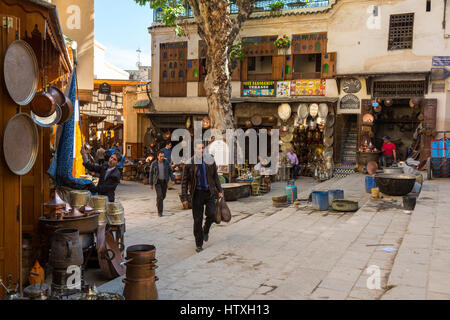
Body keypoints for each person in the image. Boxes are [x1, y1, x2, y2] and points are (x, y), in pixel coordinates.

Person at [181, 141, 224, 253]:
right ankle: (199, 244)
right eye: (199, 148)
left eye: (203, 148)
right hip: (197, 194)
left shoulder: (210, 160)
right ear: (195, 149)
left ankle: (206, 229)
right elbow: (184, 182)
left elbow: (215, 176)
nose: (201, 150)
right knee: (197, 220)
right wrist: (184, 198)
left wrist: (220, 189)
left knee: (212, 214)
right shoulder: (189, 163)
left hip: (209, 192)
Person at [149, 151, 175, 217]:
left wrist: (172, 179)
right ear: (157, 156)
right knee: (160, 196)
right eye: (160, 156)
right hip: (157, 182)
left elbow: (170, 171)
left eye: (163, 156)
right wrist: (151, 184)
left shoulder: (166, 162)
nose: (162, 157)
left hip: (164, 182)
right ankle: (160, 212)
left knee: (163, 196)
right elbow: (151, 174)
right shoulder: (154, 163)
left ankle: (158, 202)